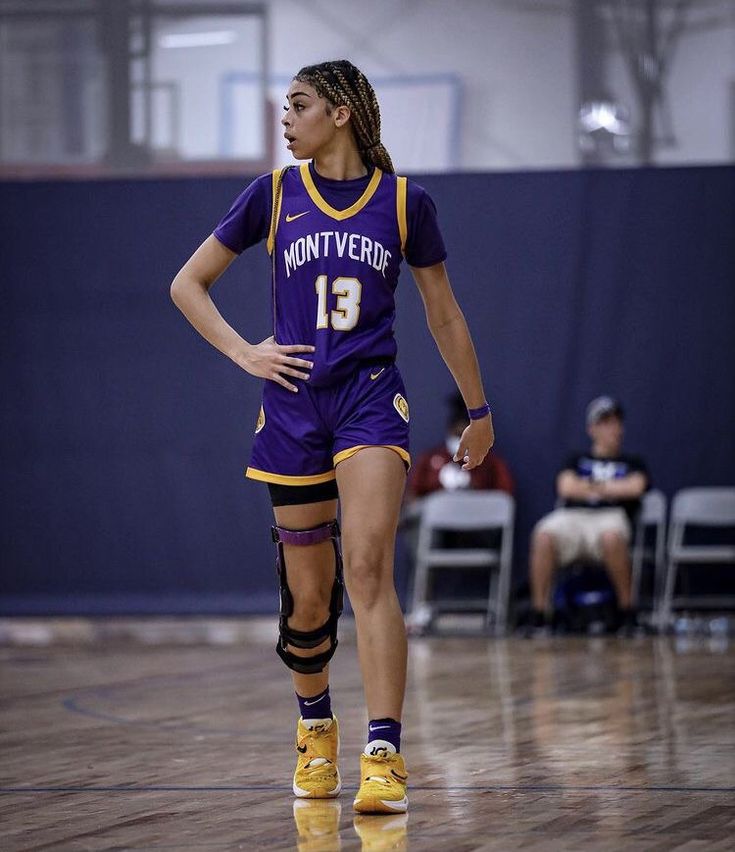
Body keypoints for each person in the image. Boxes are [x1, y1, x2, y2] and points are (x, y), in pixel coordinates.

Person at [170, 59, 494, 815]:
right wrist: (244, 351)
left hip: (370, 402)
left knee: (371, 567)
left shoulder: (407, 203)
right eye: (285, 107)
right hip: (290, 407)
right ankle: (315, 729)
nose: (285, 119)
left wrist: (478, 412)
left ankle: (384, 752)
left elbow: (443, 314)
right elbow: (187, 283)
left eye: (298, 105)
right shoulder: (272, 195)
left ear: (341, 112)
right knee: (307, 599)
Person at [527, 396, 648, 634]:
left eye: (615, 423)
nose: (612, 429)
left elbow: (635, 487)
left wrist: (589, 486)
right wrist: (612, 487)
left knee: (613, 537)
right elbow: (566, 488)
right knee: (543, 534)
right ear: (592, 429)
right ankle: (540, 615)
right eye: (605, 423)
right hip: (573, 517)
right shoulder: (576, 458)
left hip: (611, 515)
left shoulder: (632, 461)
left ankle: (627, 613)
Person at [407, 392, 514, 500]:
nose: (460, 440)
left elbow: (504, 499)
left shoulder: (490, 462)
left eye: (464, 435)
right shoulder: (428, 459)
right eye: (457, 435)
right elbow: (413, 498)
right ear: (450, 431)